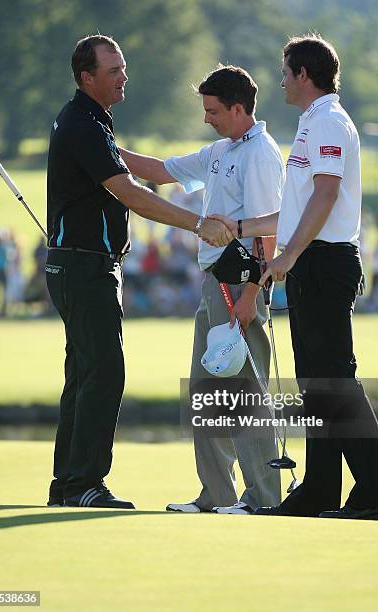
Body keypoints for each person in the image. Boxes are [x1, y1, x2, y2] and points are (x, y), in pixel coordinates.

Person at [211, 35, 378, 520]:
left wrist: (290, 255)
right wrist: (243, 228)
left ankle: (376, 493)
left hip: (324, 260)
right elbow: (297, 208)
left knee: (334, 379)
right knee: (318, 383)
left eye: (285, 70)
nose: (280, 80)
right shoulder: (312, 124)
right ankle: (320, 490)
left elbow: (326, 195)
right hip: (312, 260)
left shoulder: (329, 121)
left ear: (303, 74)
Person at [46, 35, 231, 509]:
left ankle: (68, 484)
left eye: (123, 67)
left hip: (81, 264)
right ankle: (84, 483)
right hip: (85, 265)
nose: (123, 75)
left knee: (85, 373)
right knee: (104, 373)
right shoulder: (85, 125)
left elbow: (141, 170)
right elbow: (130, 193)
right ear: (87, 78)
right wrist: (198, 223)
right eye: (113, 71)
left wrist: (204, 177)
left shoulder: (92, 123)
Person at [120, 65, 285, 514]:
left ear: (237, 108)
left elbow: (267, 229)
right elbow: (157, 170)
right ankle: (217, 493)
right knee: (206, 390)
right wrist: (102, 147)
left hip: (239, 282)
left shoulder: (261, 153)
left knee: (244, 390)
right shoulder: (221, 149)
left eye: (212, 110)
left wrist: (253, 291)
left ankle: (264, 496)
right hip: (214, 281)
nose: (206, 117)